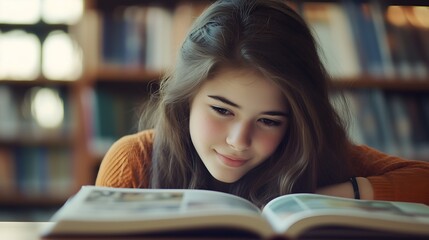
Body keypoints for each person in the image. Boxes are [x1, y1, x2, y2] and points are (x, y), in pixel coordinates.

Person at [96, 0, 429, 207]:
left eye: (269, 120)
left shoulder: (312, 151)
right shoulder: (135, 162)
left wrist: (324, 199)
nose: (239, 141)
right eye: (223, 110)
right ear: (187, 99)